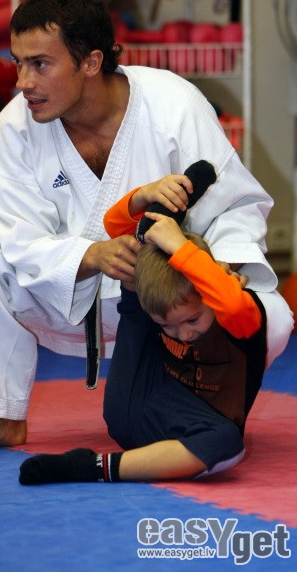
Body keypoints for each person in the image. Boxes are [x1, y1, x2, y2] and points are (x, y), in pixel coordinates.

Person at [0, 0, 293, 455]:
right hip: (65, 301)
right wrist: (93, 255)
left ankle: (198, 401)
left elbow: (235, 206)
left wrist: (215, 271)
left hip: (170, 309)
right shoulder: (11, 132)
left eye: (40, 64)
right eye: (19, 62)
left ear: (90, 61)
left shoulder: (172, 105)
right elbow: (21, 242)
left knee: (272, 316)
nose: (23, 82)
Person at [18, 187, 289, 484]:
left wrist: (179, 246)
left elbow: (232, 302)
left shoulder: (237, 319)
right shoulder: (162, 315)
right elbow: (117, 228)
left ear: (212, 293)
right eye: (168, 326)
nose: (183, 334)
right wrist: (142, 197)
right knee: (135, 289)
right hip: (132, 413)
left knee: (226, 442)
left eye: (192, 320)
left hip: (200, 430)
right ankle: (142, 460)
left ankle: (94, 466)